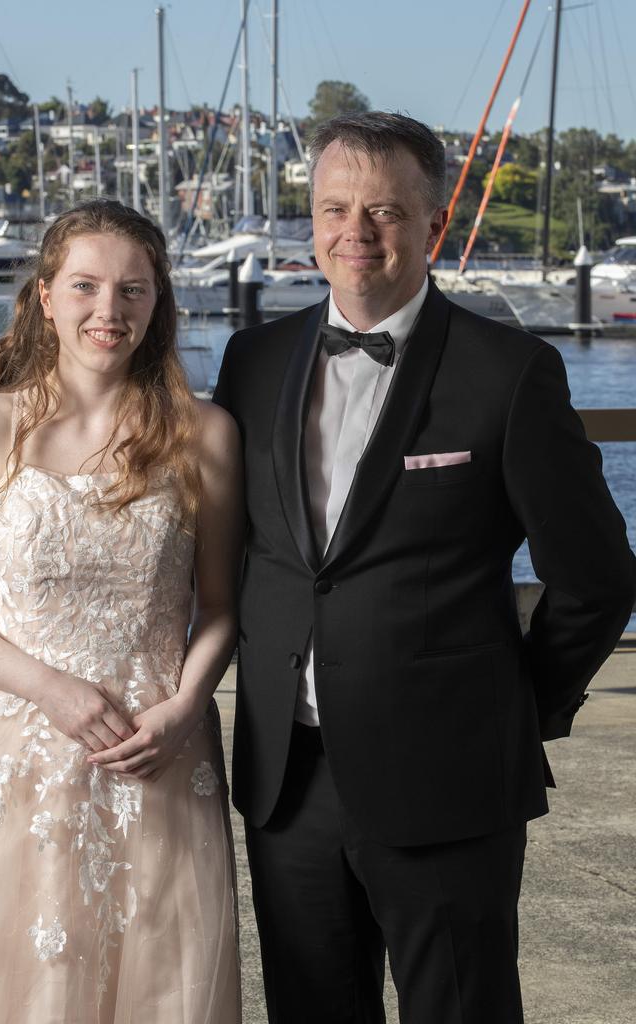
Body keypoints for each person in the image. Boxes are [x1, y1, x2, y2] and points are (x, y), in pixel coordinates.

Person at [213, 112, 636, 1024]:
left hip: (449, 774)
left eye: (384, 212)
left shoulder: (509, 372)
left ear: (433, 226)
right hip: (288, 778)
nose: (354, 233)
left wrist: (519, 709)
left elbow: (597, 581)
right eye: (334, 209)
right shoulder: (253, 363)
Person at [0, 199, 243, 1023]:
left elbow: (220, 607)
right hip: (13, 748)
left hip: (156, 751)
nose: (108, 311)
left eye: (132, 290)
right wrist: (51, 689)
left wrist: (187, 707)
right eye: (85, 287)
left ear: (158, 302)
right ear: (45, 297)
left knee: (152, 980)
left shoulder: (205, 433)